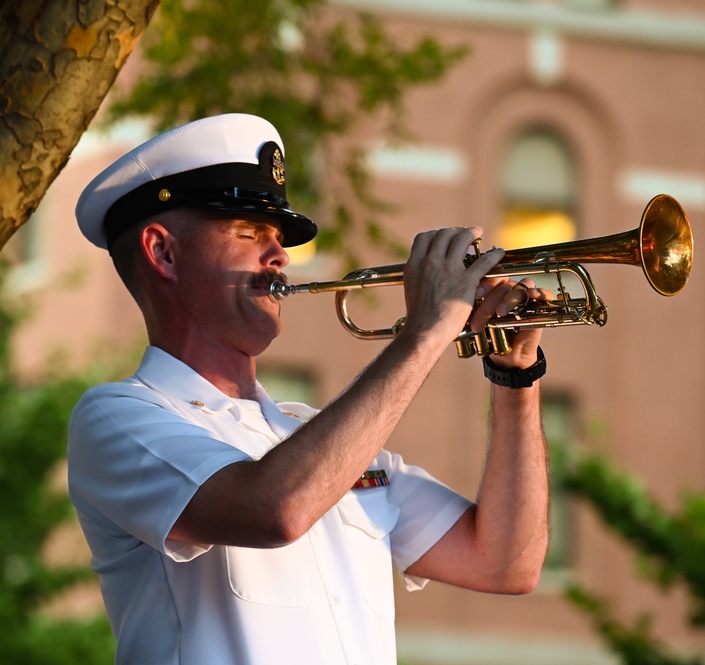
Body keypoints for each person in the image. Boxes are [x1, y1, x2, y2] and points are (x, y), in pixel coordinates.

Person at [68, 113, 550, 665]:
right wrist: (425, 333)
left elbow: (507, 563)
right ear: (164, 252)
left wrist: (515, 376)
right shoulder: (119, 416)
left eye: (279, 239)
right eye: (250, 233)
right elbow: (275, 509)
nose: (280, 257)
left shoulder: (322, 436)